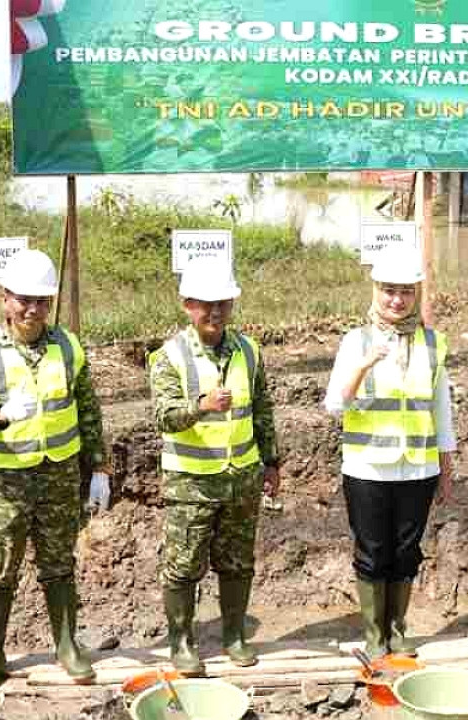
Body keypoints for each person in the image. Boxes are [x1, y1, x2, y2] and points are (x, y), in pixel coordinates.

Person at [0, 249, 109, 692]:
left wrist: (99, 467)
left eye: (42, 300)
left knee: (59, 564)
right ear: (4, 297)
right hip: (4, 482)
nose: (32, 309)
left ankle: (67, 647)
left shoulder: (69, 347)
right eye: (24, 299)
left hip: (58, 476)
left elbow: (88, 410)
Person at [149, 258, 280, 673]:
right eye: (206, 304)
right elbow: (165, 416)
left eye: (223, 303)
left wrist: (271, 461)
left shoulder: (248, 351)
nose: (216, 312)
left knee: (238, 562)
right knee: (183, 565)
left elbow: (262, 410)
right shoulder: (169, 356)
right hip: (191, 483)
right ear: (187, 305)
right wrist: (200, 406)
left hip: (241, 478)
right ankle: (181, 643)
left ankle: (234, 636)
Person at [324, 250, 455, 658]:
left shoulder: (432, 343)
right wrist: (363, 365)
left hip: (417, 468)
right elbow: (335, 404)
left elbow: (441, 409)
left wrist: (446, 466)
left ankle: (397, 629)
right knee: (372, 551)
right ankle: (374, 634)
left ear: (416, 294)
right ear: (375, 290)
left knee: (406, 551)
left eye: (405, 292)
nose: (397, 300)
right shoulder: (356, 341)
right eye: (389, 291)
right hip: (368, 469)